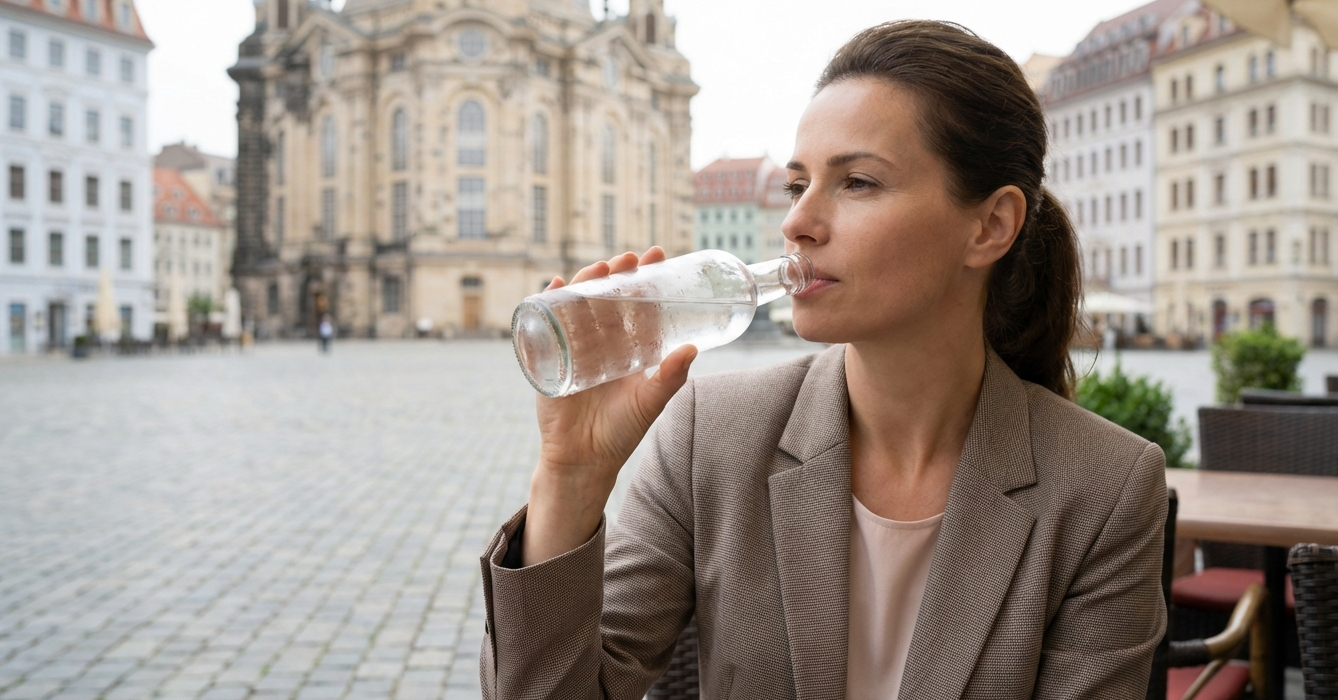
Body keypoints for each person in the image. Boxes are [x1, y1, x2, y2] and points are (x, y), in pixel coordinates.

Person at [479, 20, 1167, 700]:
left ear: (989, 226)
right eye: (797, 184)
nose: (797, 223)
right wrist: (570, 479)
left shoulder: (1105, 488)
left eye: (858, 183)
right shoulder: (711, 434)